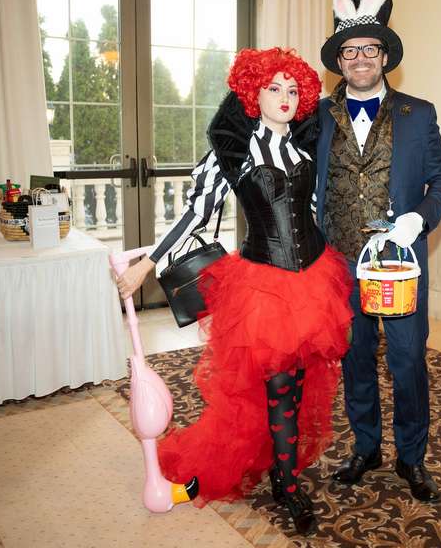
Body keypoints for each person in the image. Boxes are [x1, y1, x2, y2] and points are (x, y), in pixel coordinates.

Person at [115, 47, 353, 534]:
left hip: (313, 281)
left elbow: (311, 211)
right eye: (274, 88)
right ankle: (287, 486)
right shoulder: (234, 153)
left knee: (298, 385)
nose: (285, 98)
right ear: (252, 94)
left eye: (293, 90)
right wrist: (147, 264)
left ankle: (282, 467)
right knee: (279, 386)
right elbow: (195, 214)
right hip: (264, 287)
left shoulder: (305, 149)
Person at [315, 0, 441, 503]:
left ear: (384, 55)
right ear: (339, 60)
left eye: (369, 49)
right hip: (338, 264)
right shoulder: (316, 115)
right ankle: (367, 447)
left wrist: (419, 218)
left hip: (400, 265)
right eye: (349, 51)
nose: (360, 59)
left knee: (407, 361)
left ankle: (412, 458)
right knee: (355, 359)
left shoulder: (419, 113)